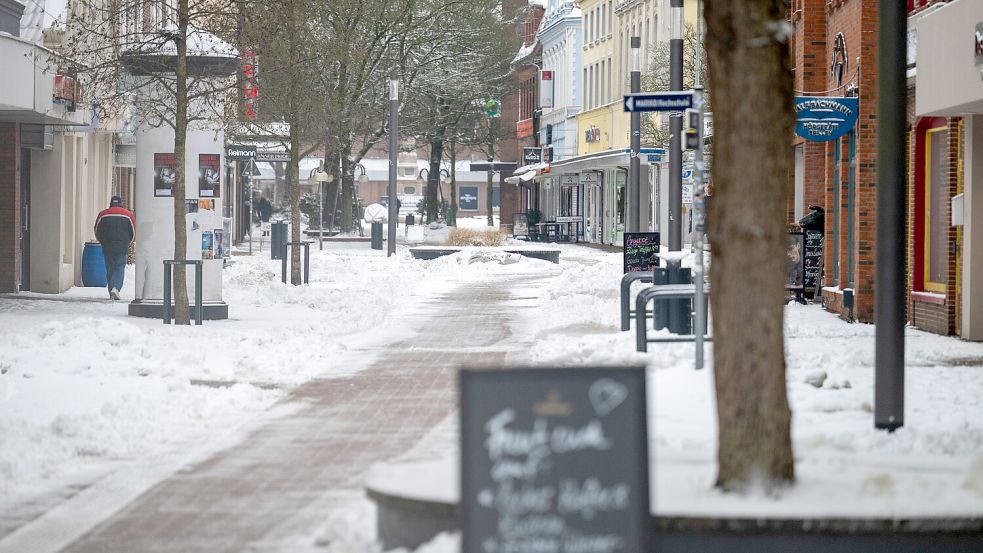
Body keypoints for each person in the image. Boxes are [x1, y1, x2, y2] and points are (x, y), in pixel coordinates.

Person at [94, 196, 135, 300]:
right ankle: (116, 288)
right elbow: (133, 232)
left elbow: (97, 230)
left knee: (110, 268)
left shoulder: (103, 214)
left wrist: (102, 241)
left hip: (107, 246)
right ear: (121, 203)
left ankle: (111, 289)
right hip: (122, 246)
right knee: (120, 267)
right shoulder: (128, 215)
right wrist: (129, 243)